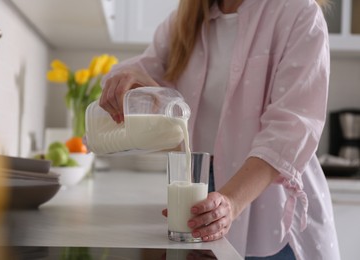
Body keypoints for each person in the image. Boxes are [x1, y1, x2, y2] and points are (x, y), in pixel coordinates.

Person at [99, 0, 340, 259]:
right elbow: (146, 71)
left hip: (272, 202)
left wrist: (231, 202)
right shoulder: (186, 21)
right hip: (204, 192)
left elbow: (291, 128)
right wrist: (127, 81)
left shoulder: (298, 12)